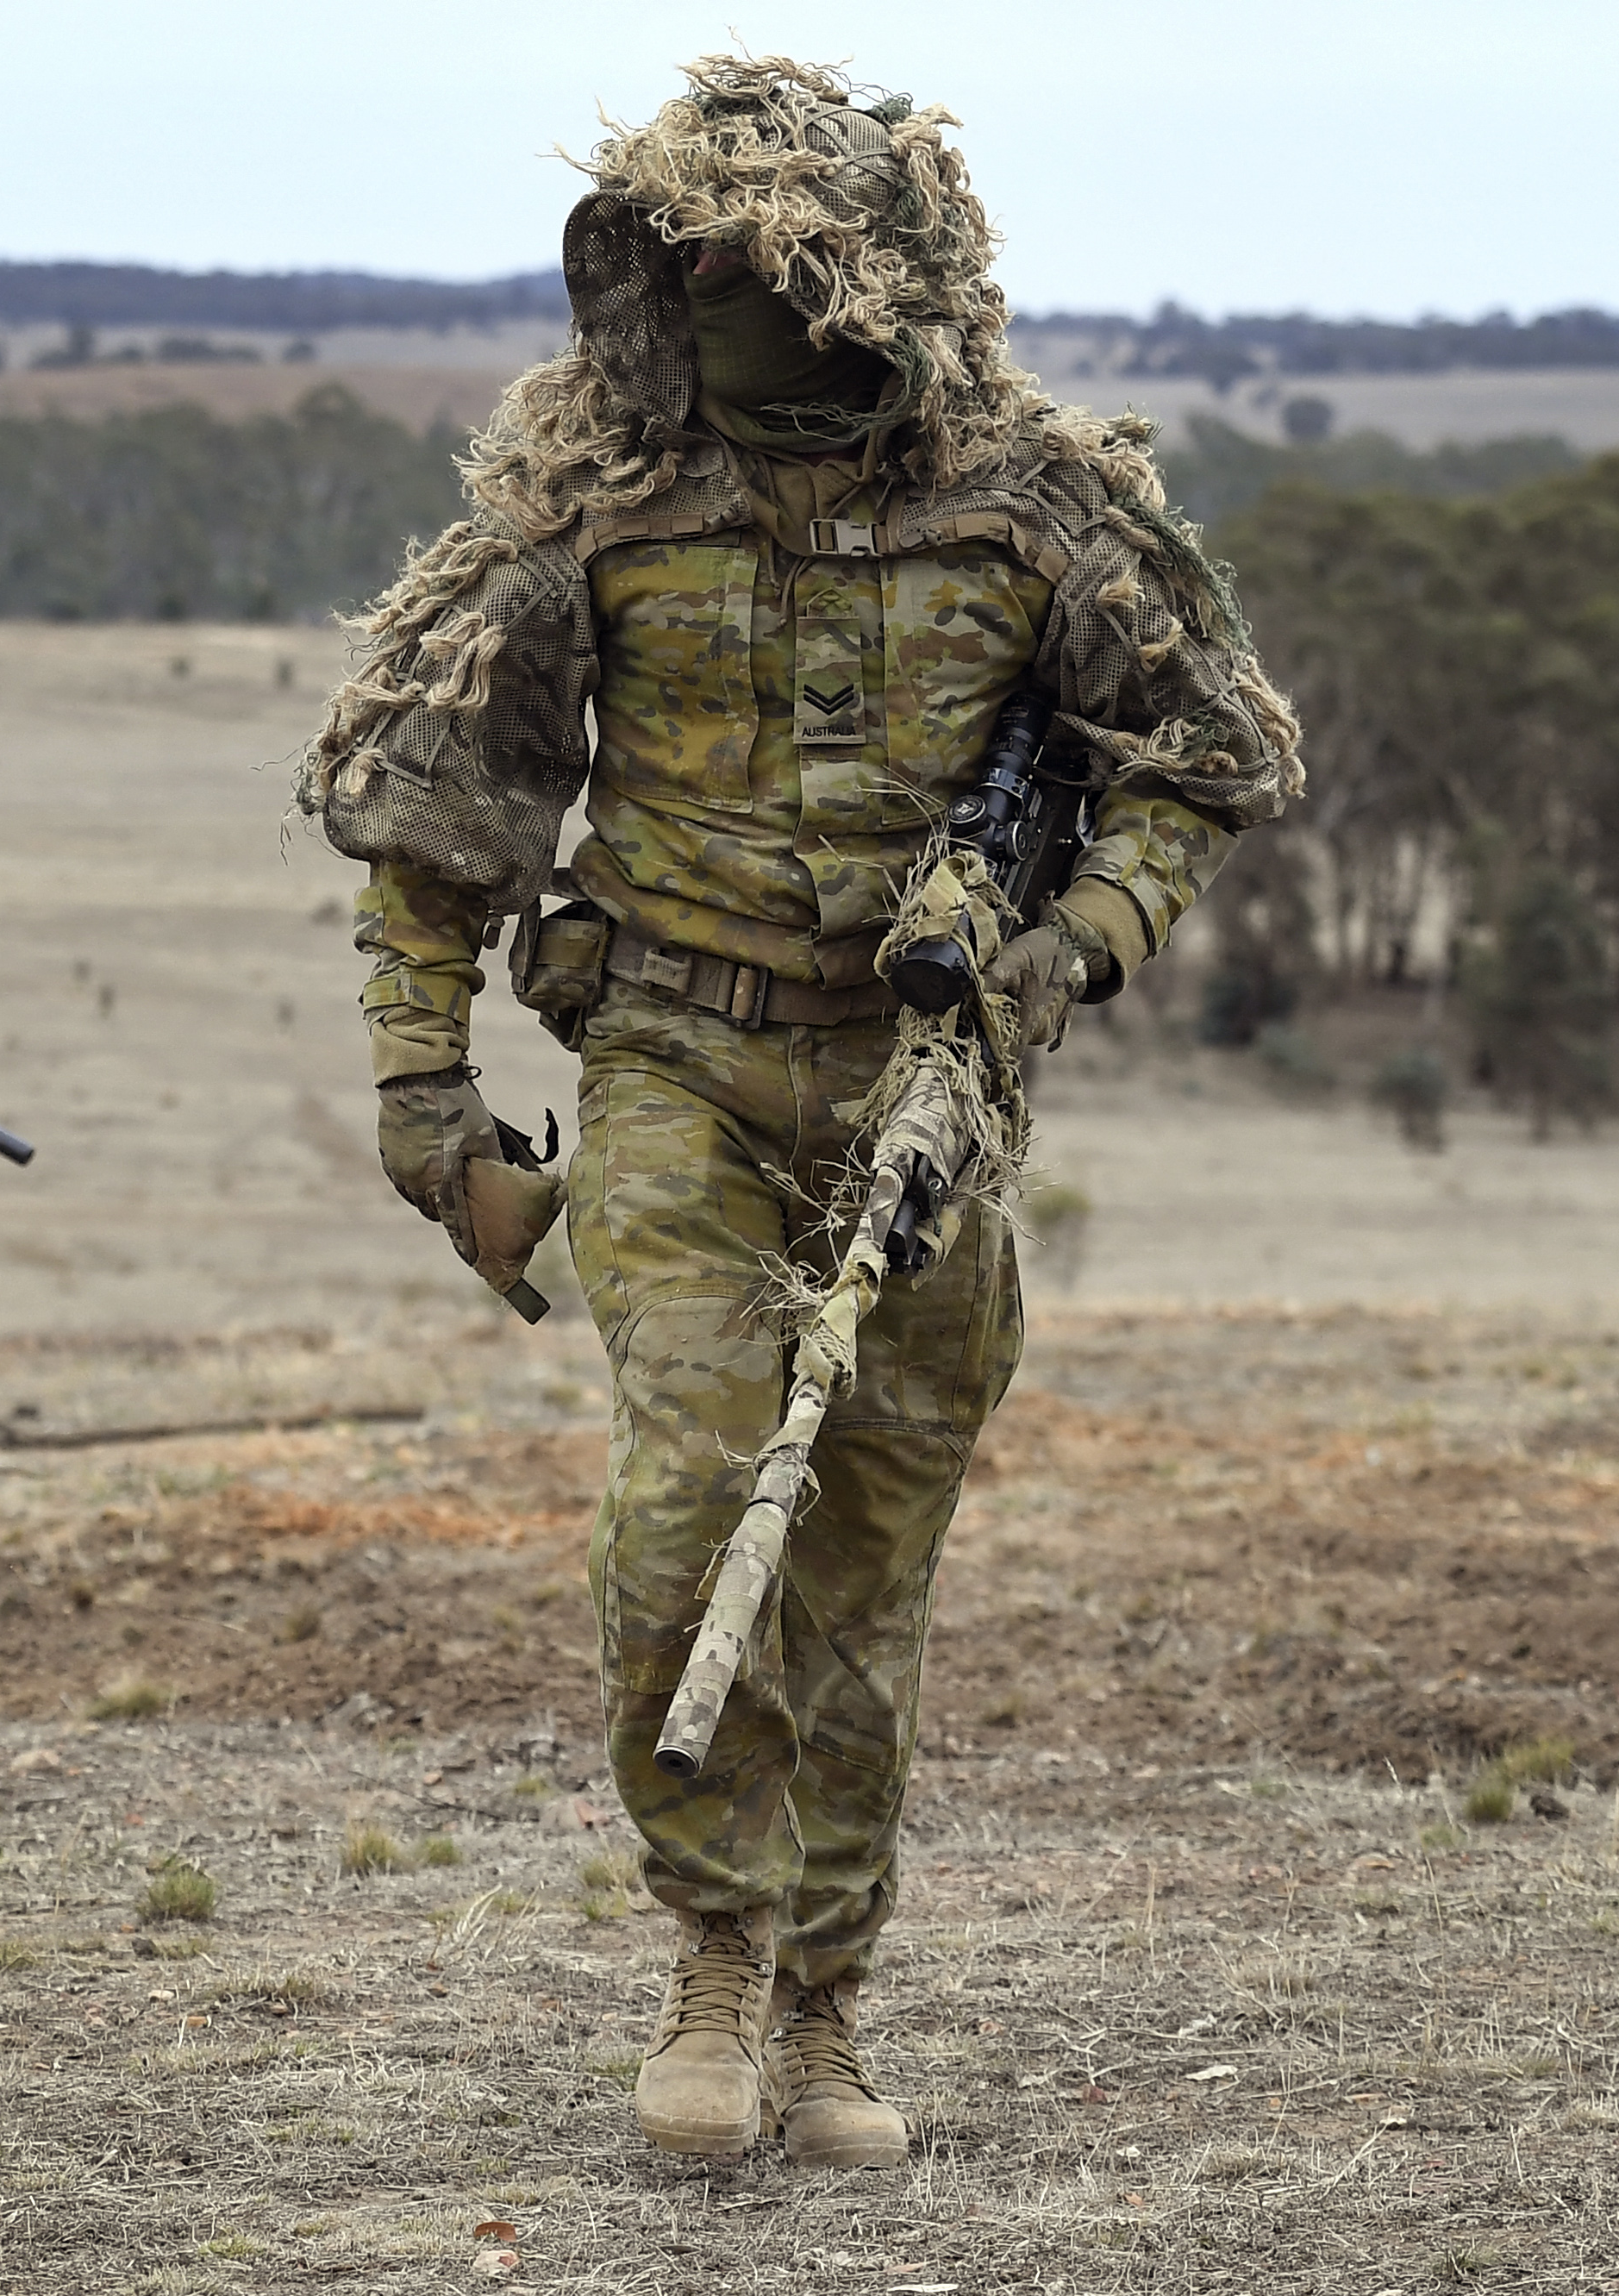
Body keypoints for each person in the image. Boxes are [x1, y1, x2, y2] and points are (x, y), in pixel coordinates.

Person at [300, 54, 1301, 2165]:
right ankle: (710, 1959)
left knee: (859, 1564)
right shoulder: (598, 502)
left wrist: (1080, 937)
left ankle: (829, 2005)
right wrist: (423, 1096)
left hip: (923, 1090)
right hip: (669, 1057)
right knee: (686, 1499)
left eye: (789, 295)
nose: (753, 339)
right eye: (704, 289)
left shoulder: (1035, 504)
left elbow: (1195, 756)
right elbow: (436, 818)